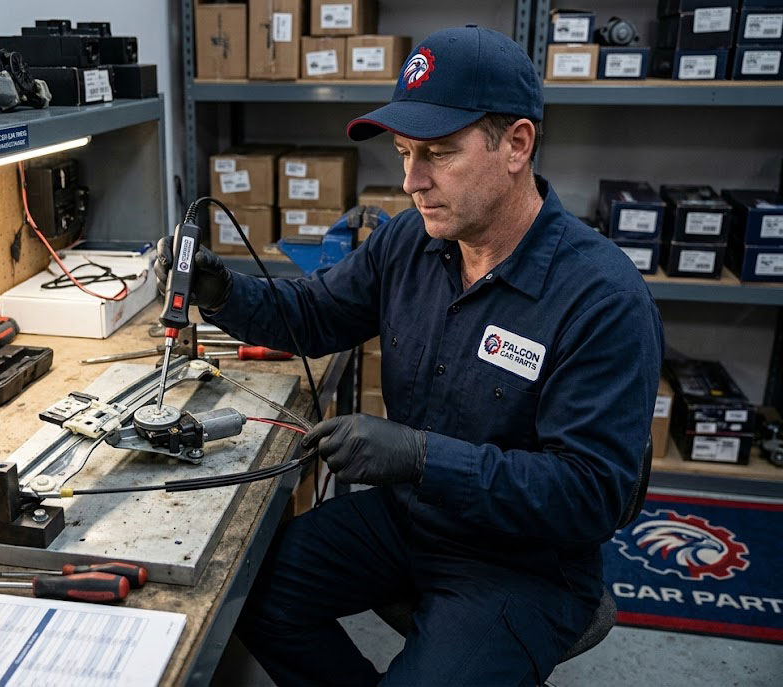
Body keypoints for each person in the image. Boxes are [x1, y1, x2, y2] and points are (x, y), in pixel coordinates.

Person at [156, 25, 664, 686]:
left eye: (439, 153)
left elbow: (590, 495)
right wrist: (225, 293)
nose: (411, 180)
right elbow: (314, 315)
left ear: (517, 144)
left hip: (524, 564)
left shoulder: (602, 298)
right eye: (403, 152)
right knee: (244, 592)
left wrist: (422, 457)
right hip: (411, 521)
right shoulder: (409, 243)